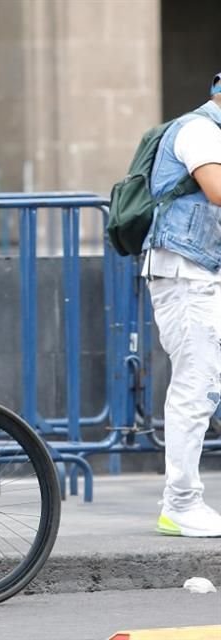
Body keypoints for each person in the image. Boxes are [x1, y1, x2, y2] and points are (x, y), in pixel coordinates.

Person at [142, 73, 221, 538]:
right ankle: (181, 502)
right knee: (196, 384)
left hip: (201, 275)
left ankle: (184, 499)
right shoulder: (199, 131)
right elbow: (216, 190)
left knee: (205, 381)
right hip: (184, 277)